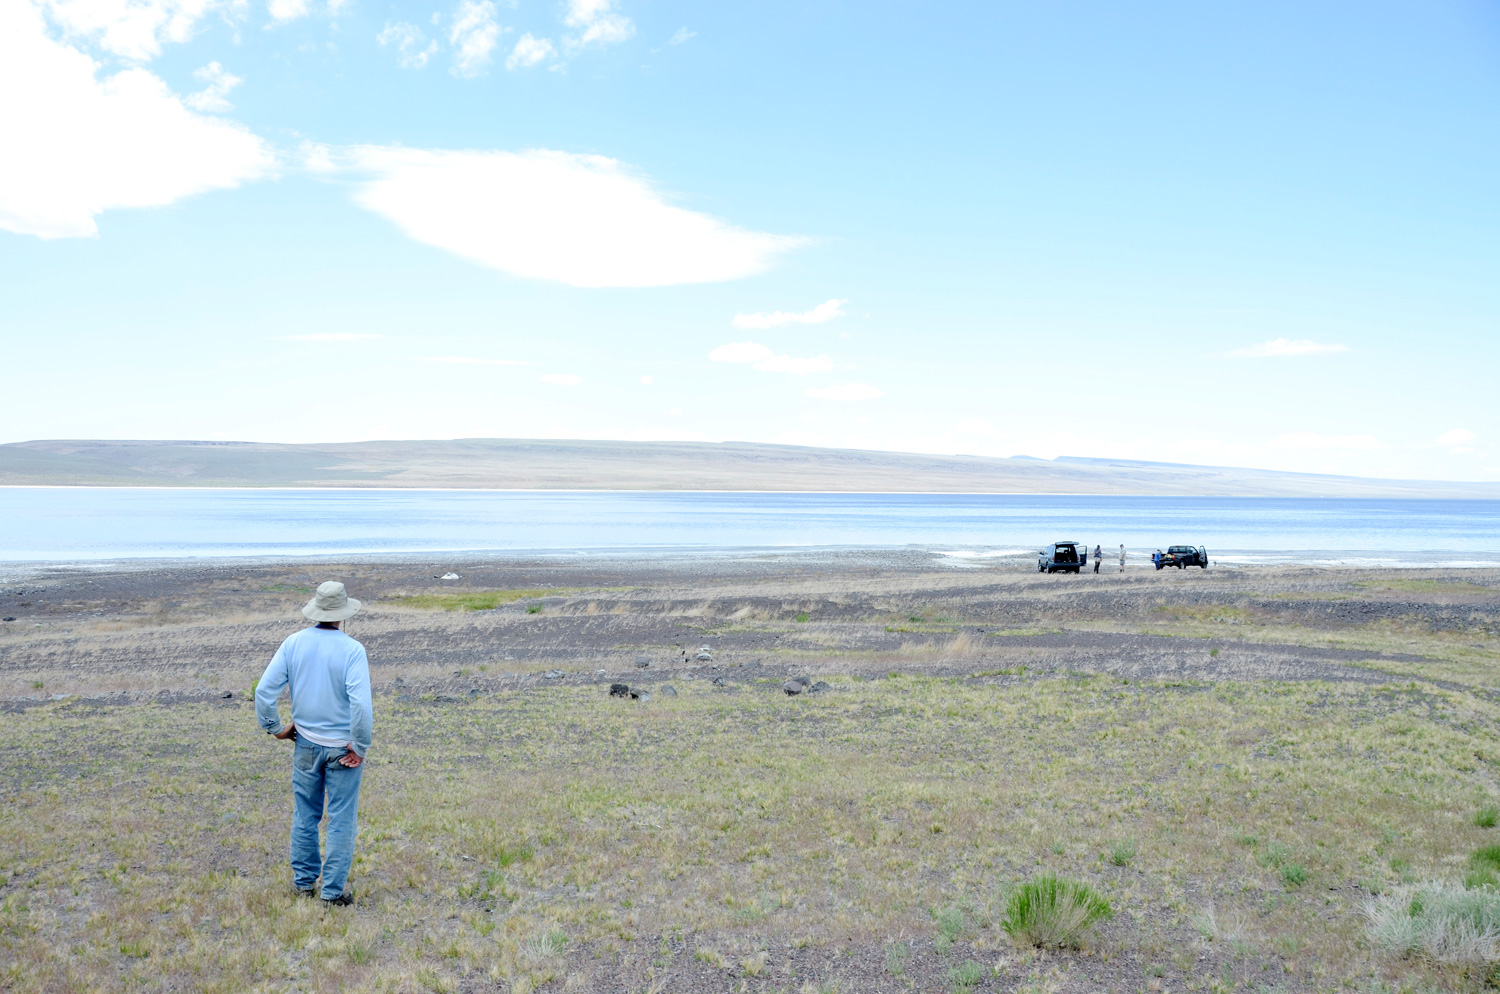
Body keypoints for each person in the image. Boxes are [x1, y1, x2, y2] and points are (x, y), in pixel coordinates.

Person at [256, 581, 373, 907]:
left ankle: (304, 883)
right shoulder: (352, 650)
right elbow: (361, 706)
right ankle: (332, 893)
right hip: (342, 749)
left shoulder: (294, 643)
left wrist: (275, 728)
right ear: (343, 614)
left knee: (305, 815)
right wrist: (360, 747)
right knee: (341, 819)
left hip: (305, 743)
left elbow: (264, 693)